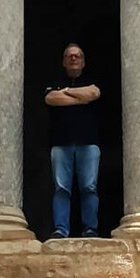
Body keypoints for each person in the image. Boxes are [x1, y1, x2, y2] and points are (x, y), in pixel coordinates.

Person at [44, 44, 101, 238]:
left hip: (89, 143)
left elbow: (94, 93)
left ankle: (90, 229)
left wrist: (65, 93)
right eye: (69, 56)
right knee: (61, 188)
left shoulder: (92, 81)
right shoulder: (55, 82)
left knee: (89, 187)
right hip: (61, 143)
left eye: (78, 56)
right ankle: (61, 230)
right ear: (63, 61)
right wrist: (80, 97)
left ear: (83, 62)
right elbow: (51, 98)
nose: (73, 59)